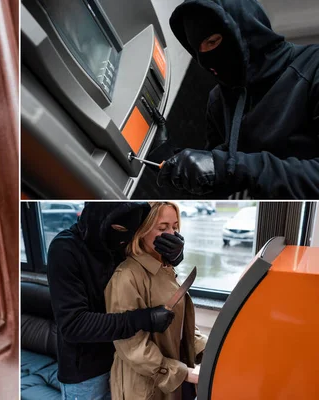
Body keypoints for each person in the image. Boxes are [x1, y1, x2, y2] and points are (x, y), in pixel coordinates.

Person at [157, 0, 319, 199]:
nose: (206, 57)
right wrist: (167, 160)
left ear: (245, 28)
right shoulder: (219, 100)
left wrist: (233, 167)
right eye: (198, 50)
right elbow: (216, 184)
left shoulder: (313, 67)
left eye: (212, 41)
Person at [47, 202, 185, 399]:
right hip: (87, 372)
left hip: (123, 362)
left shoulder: (123, 240)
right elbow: (73, 325)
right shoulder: (65, 250)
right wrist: (142, 319)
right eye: (119, 230)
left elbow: (145, 257)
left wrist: (174, 256)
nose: (124, 239)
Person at [105, 202, 207, 400]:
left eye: (175, 227)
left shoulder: (165, 268)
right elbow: (132, 346)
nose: (171, 234)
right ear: (142, 230)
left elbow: (178, 324)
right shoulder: (126, 277)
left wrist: (208, 348)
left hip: (172, 379)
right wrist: (181, 373)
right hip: (144, 386)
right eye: (163, 228)